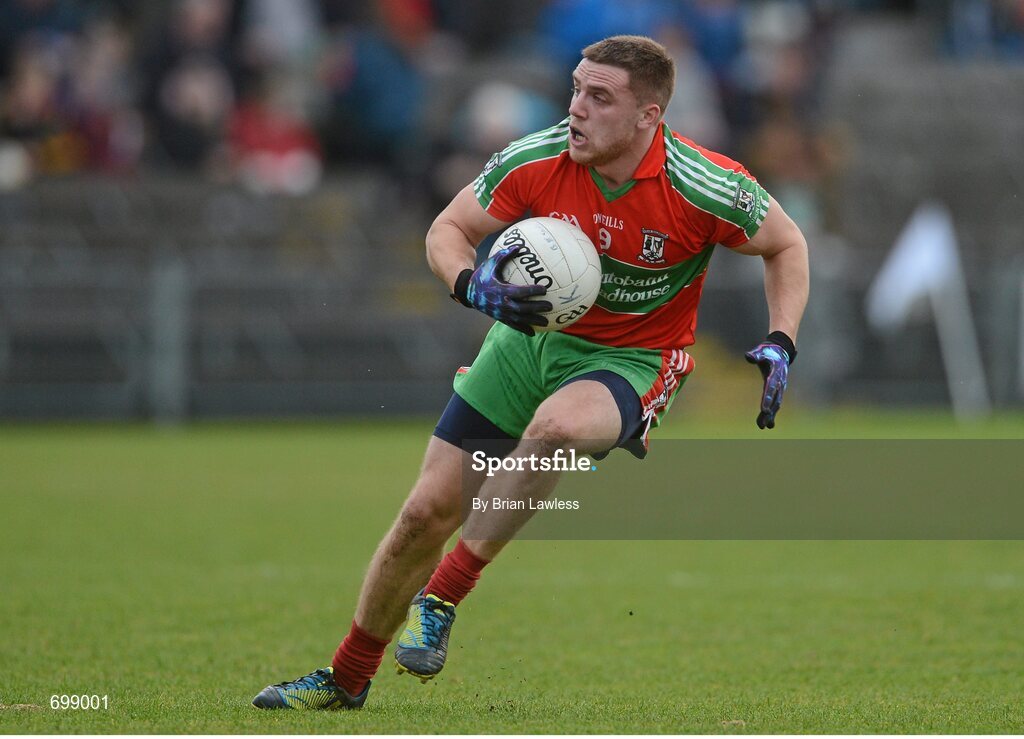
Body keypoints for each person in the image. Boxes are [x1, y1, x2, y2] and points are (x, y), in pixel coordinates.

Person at [252, 34, 809, 710]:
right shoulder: (538, 156)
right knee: (424, 513)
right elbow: (446, 230)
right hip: (525, 343)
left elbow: (786, 243)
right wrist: (472, 286)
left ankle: (445, 593)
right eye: (576, 88)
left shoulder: (702, 183)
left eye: (599, 97)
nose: (576, 107)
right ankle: (345, 678)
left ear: (648, 117)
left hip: (633, 359)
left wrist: (781, 337)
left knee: (557, 426)